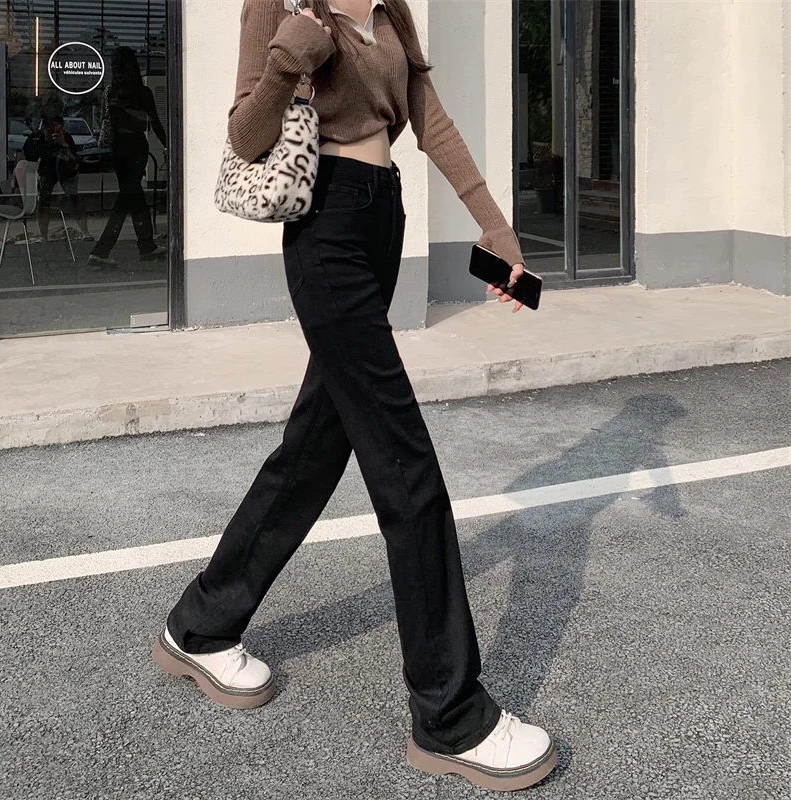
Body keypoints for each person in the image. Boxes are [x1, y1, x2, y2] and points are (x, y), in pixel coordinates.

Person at [153, 0, 556, 792]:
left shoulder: (388, 8)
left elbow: (427, 114)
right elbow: (245, 134)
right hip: (326, 225)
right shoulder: (279, 4)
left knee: (314, 448)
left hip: (382, 217)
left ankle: (200, 626)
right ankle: (450, 716)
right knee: (406, 466)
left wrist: (493, 225)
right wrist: (287, 59)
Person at [88, 46, 167, 268]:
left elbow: (107, 121)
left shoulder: (110, 92)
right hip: (136, 145)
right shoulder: (142, 93)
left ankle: (146, 245)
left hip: (118, 147)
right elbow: (155, 122)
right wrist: (168, 145)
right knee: (127, 198)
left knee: (134, 197)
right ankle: (102, 250)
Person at [23, 116, 94, 243]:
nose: (53, 134)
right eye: (50, 130)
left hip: (65, 170)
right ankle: (43, 235)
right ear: (43, 129)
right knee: (43, 200)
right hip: (46, 169)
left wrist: (64, 144)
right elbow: (29, 157)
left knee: (74, 198)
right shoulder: (36, 138)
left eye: (56, 130)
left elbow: (74, 160)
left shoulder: (65, 137)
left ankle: (85, 231)